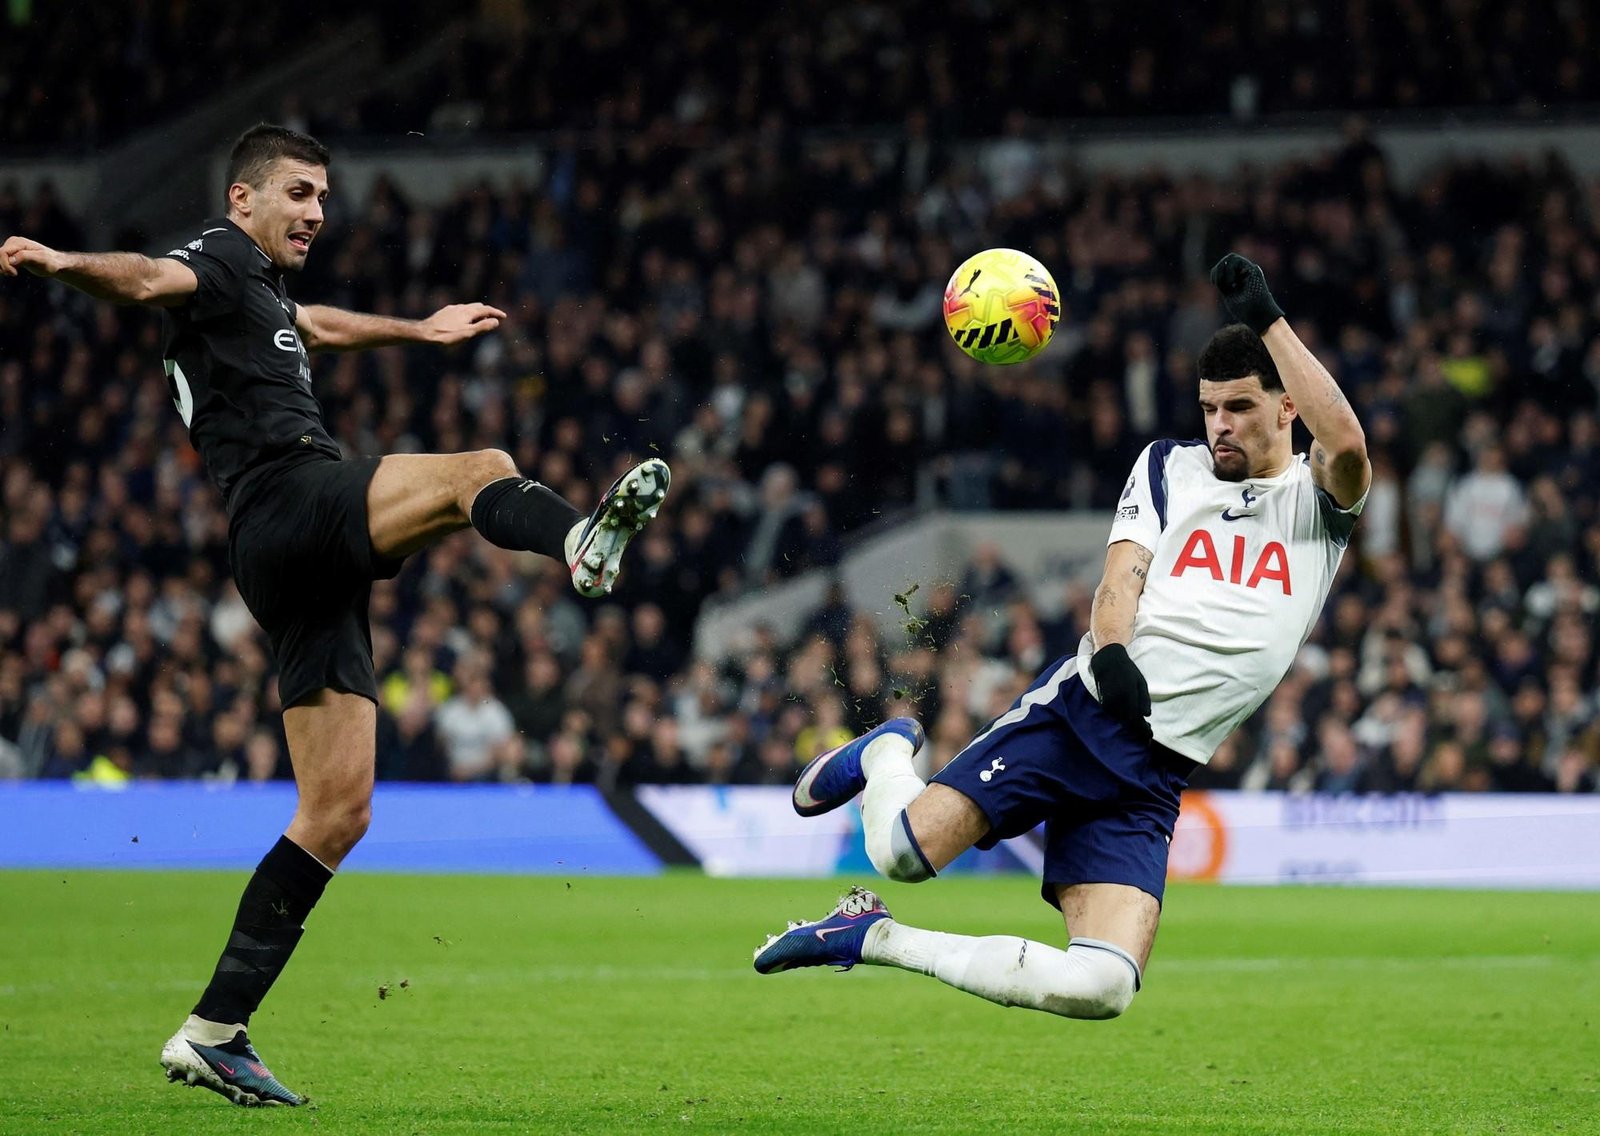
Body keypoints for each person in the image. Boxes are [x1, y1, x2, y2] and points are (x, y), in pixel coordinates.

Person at [1, 123, 671, 1106]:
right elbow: (144, 279)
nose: (318, 211)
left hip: (276, 551)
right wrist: (63, 262)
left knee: (338, 810)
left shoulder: (258, 287)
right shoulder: (220, 253)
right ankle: (578, 542)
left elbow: (317, 326)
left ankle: (214, 1027)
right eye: (300, 193)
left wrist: (420, 329)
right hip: (289, 501)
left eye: (323, 196)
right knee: (480, 469)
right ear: (244, 199)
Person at [755, 253, 1368, 1022]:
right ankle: (884, 752)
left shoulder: (1315, 504)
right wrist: (1110, 653)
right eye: (1209, 408)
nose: (1219, 425)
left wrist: (1271, 319)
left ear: (1287, 410)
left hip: (1155, 775)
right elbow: (1121, 580)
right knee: (901, 855)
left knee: (1103, 989)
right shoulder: (1169, 467)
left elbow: (1345, 442)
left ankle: (873, 937)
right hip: (1084, 716)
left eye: (1240, 407)